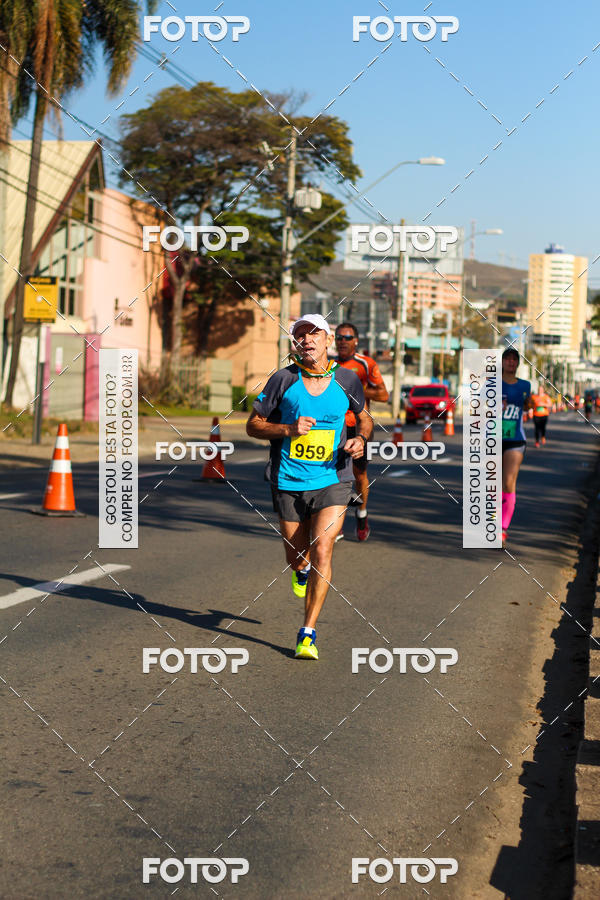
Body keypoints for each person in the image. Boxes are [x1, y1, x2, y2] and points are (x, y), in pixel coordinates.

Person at [246, 314, 372, 660]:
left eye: (313, 333)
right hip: (288, 480)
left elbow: (365, 418)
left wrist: (360, 439)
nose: (307, 339)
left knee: (323, 549)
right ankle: (300, 570)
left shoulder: (348, 380)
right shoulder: (283, 379)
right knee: (297, 554)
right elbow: (253, 426)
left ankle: (307, 633)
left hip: (334, 478)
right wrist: (288, 429)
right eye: (300, 335)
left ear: (327, 339)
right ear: (295, 344)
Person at [333, 323, 389, 541]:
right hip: (335, 425)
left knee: (359, 475)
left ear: (356, 341)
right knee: (335, 476)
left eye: (347, 338)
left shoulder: (366, 364)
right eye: (339, 337)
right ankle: (335, 525)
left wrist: (355, 387)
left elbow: (383, 395)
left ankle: (362, 513)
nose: (343, 341)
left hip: (359, 424)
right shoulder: (328, 364)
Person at [501, 347, 531, 543]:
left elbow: (528, 406)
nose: (511, 362)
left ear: (517, 363)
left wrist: (528, 404)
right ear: (502, 362)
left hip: (516, 439)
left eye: (514, 359)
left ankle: (502, 529)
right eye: (508, 359)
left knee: (508, 482)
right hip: (493, 439)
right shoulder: (491, 384)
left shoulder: (525, 385)